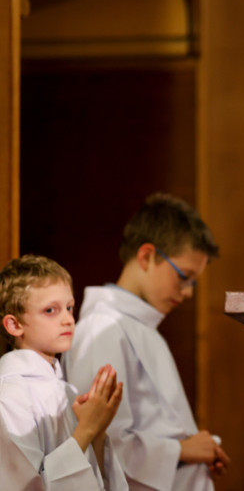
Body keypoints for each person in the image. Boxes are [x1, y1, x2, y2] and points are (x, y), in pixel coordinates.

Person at [64, 193, 230, 490]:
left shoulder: (141, 326)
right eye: (184, 276)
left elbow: (157, 425)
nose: (188, 292)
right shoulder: (102, 329)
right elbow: (100, 441)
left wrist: (198, 454)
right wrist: (182, 450)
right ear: (147, 256)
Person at [0, 255, 127, 490]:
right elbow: (25, 486)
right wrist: (86, 428)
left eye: (69, 308)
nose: (68, 320)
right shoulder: (11, 395)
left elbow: (93, 480)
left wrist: (98, 430)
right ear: (15, 325)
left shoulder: (66, 390)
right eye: (51, 310)